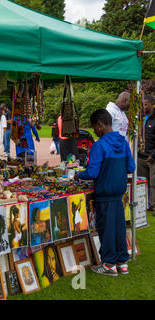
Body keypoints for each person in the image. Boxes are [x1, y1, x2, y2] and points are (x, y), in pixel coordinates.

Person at [77, 109, 135, 276]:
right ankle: (122, 262)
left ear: (100, 124)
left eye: (94, 127)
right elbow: (131, 167)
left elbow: (92, 173)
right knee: (119, 227)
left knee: (107, 229)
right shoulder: (123, 143)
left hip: (105, 194)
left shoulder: (99, 145)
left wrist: (79, 174)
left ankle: (109, 264)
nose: (94, 131)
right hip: (119, 194)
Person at [137, 94, 155, 215]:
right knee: (142, 182)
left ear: (152, 104)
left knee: (153, 184)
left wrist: (153, 155)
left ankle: (153, 206)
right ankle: (144, 205)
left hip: (152, 157)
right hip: (140, 156)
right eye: (142, 104)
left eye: (146, 104)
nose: (143, 106)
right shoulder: (140, 117)